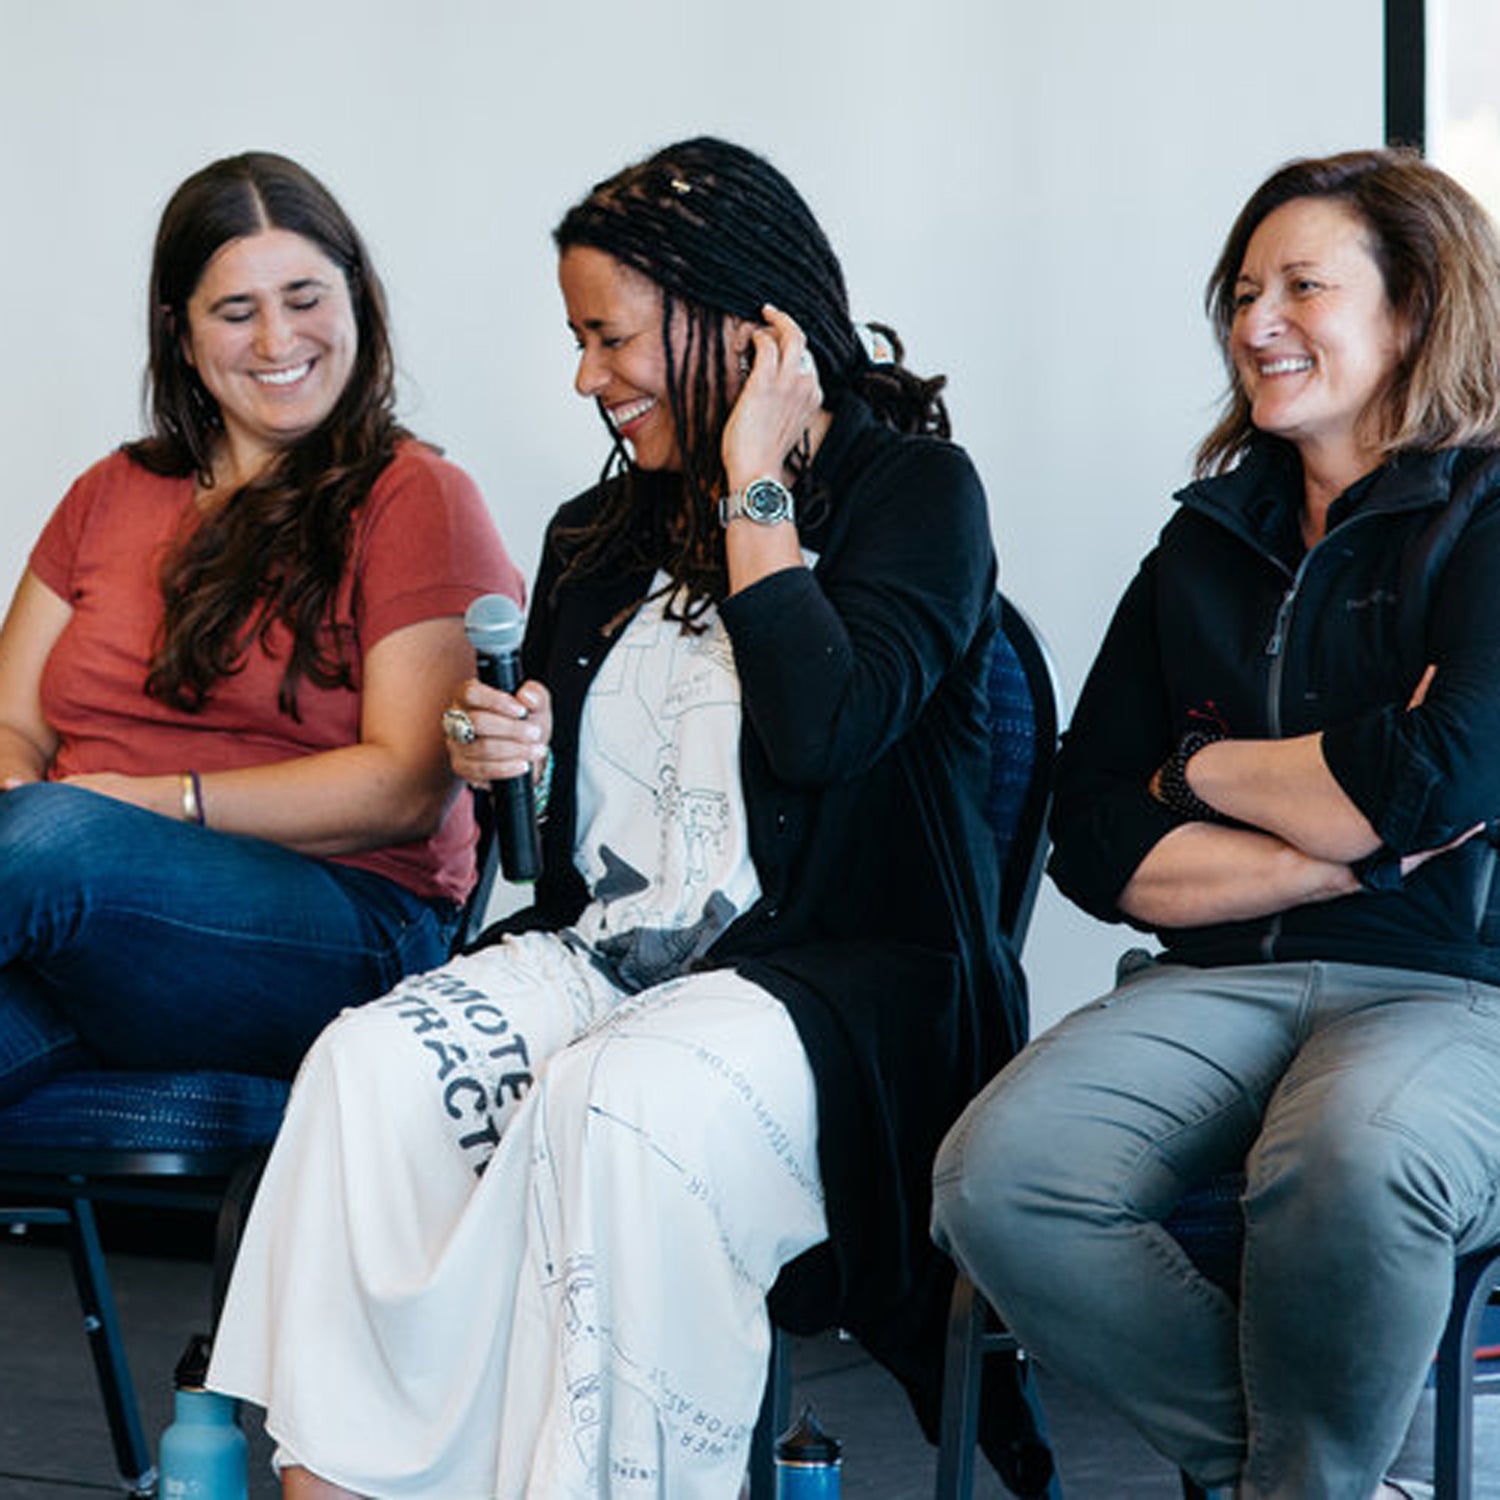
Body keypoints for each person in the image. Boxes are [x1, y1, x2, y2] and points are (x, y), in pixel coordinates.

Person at [207, 135, 1036, 1499]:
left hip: (841, 984)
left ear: (741, 320)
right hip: (612, 959)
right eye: (578, 340)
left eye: (611, 337)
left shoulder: (913, 497)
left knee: (620, 1102)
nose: (588, 377)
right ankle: (342, 1483)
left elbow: (824, 733)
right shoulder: (597, 537)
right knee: (369, 1070)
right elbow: (558, 847)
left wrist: (753, 477)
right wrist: (509, 758)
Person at [932, 147, 1500, 1500]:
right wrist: (1307, 810)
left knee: (1349, 1158)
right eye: (1245, 291)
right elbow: (1090, 831)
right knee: (1001, 1180)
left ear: (1415, 309)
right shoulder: (1206, 543)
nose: (1256, 323)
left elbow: (1440, 776)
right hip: (1221, 983)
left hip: (1458, 992)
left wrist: (1192, 773)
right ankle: (1304, 1489)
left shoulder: (1488, 518)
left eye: (1303, 285)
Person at [0, 151, 522, 1104]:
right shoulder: (109, 492)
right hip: (70, 917)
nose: (278, 337)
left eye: (305, 297)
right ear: (182, 334)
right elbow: (15, 724)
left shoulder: (418, 498)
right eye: (236, 312)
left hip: (337, 924)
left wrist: (127, 806)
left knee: (48, 839)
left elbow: (405, 787)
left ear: (356, 299)